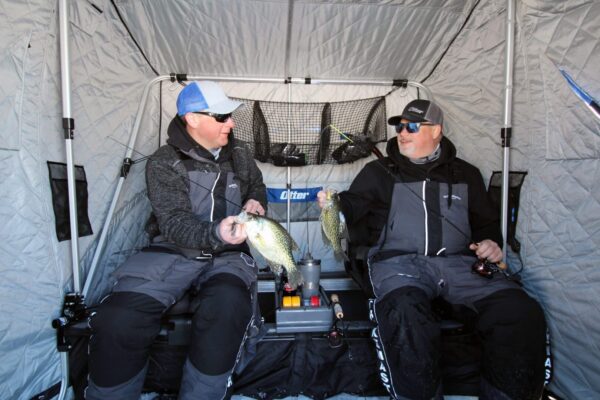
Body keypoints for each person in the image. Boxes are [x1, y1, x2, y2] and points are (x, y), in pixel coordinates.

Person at [317, 99, 546, 400]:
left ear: (436, 130)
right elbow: (352, 204)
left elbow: (487, 226)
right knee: (405, 313)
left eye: (412, 126)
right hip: (399, 266)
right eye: (399, 126)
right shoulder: (378, 173)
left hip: (460, 267)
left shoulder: (467, 174)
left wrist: (491, 243)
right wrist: (333, 204)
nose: (402, 133)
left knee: (519, 311)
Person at [87, 81, 267, 399]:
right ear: (193, 118)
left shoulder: (239, 154)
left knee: (228, 305)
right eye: (222, 116)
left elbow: (256, 185)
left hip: (228, 254)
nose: (232, 123)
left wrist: (254, 201)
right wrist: (214, 232)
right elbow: (174, 224)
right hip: (171, 251)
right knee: (118, 320)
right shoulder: (163, 161)